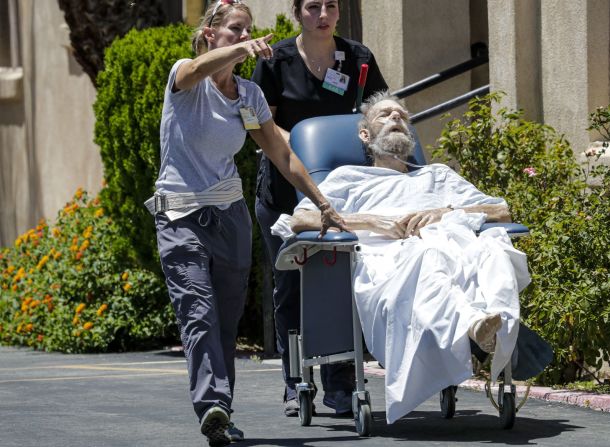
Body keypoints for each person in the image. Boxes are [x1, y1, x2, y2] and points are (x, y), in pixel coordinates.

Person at [145, 1, 348, 445]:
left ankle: (221, 411)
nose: (243, 37)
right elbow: (198, 67)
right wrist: (238, 50)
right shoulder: (186, 77)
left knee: (224, 320)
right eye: (234, 30)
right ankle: (212, 402)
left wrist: (323, 202)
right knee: (196, 312)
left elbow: (281, 153)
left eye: (247, 31)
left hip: (230, 217)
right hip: (180, 215)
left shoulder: (250, 97)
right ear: (210, 35)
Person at [271, 92, 531, 424]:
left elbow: (500, 210)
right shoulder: (347, 179)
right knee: (427, 252)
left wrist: (445, 211)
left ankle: (478, 323)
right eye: (385, 115)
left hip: (450, 249)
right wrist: (368, 221)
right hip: (385, 260)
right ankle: (474, 323)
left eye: (402, 116)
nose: (396, 118)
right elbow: (301, 220)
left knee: (489, 248)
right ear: (364, 135)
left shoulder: (437, 176)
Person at [251, 0, 388, 417]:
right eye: (313, 6)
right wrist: (305, 142)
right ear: (297, 12)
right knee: (291, 285)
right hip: (284, 191)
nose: (323, 14)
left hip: (342, 195)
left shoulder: (358, 58)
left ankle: (340, 382)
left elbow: (379, 110)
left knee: (341, 282)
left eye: (330, 5)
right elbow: (262, 122)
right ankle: (295, 381)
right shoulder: (275, 61)